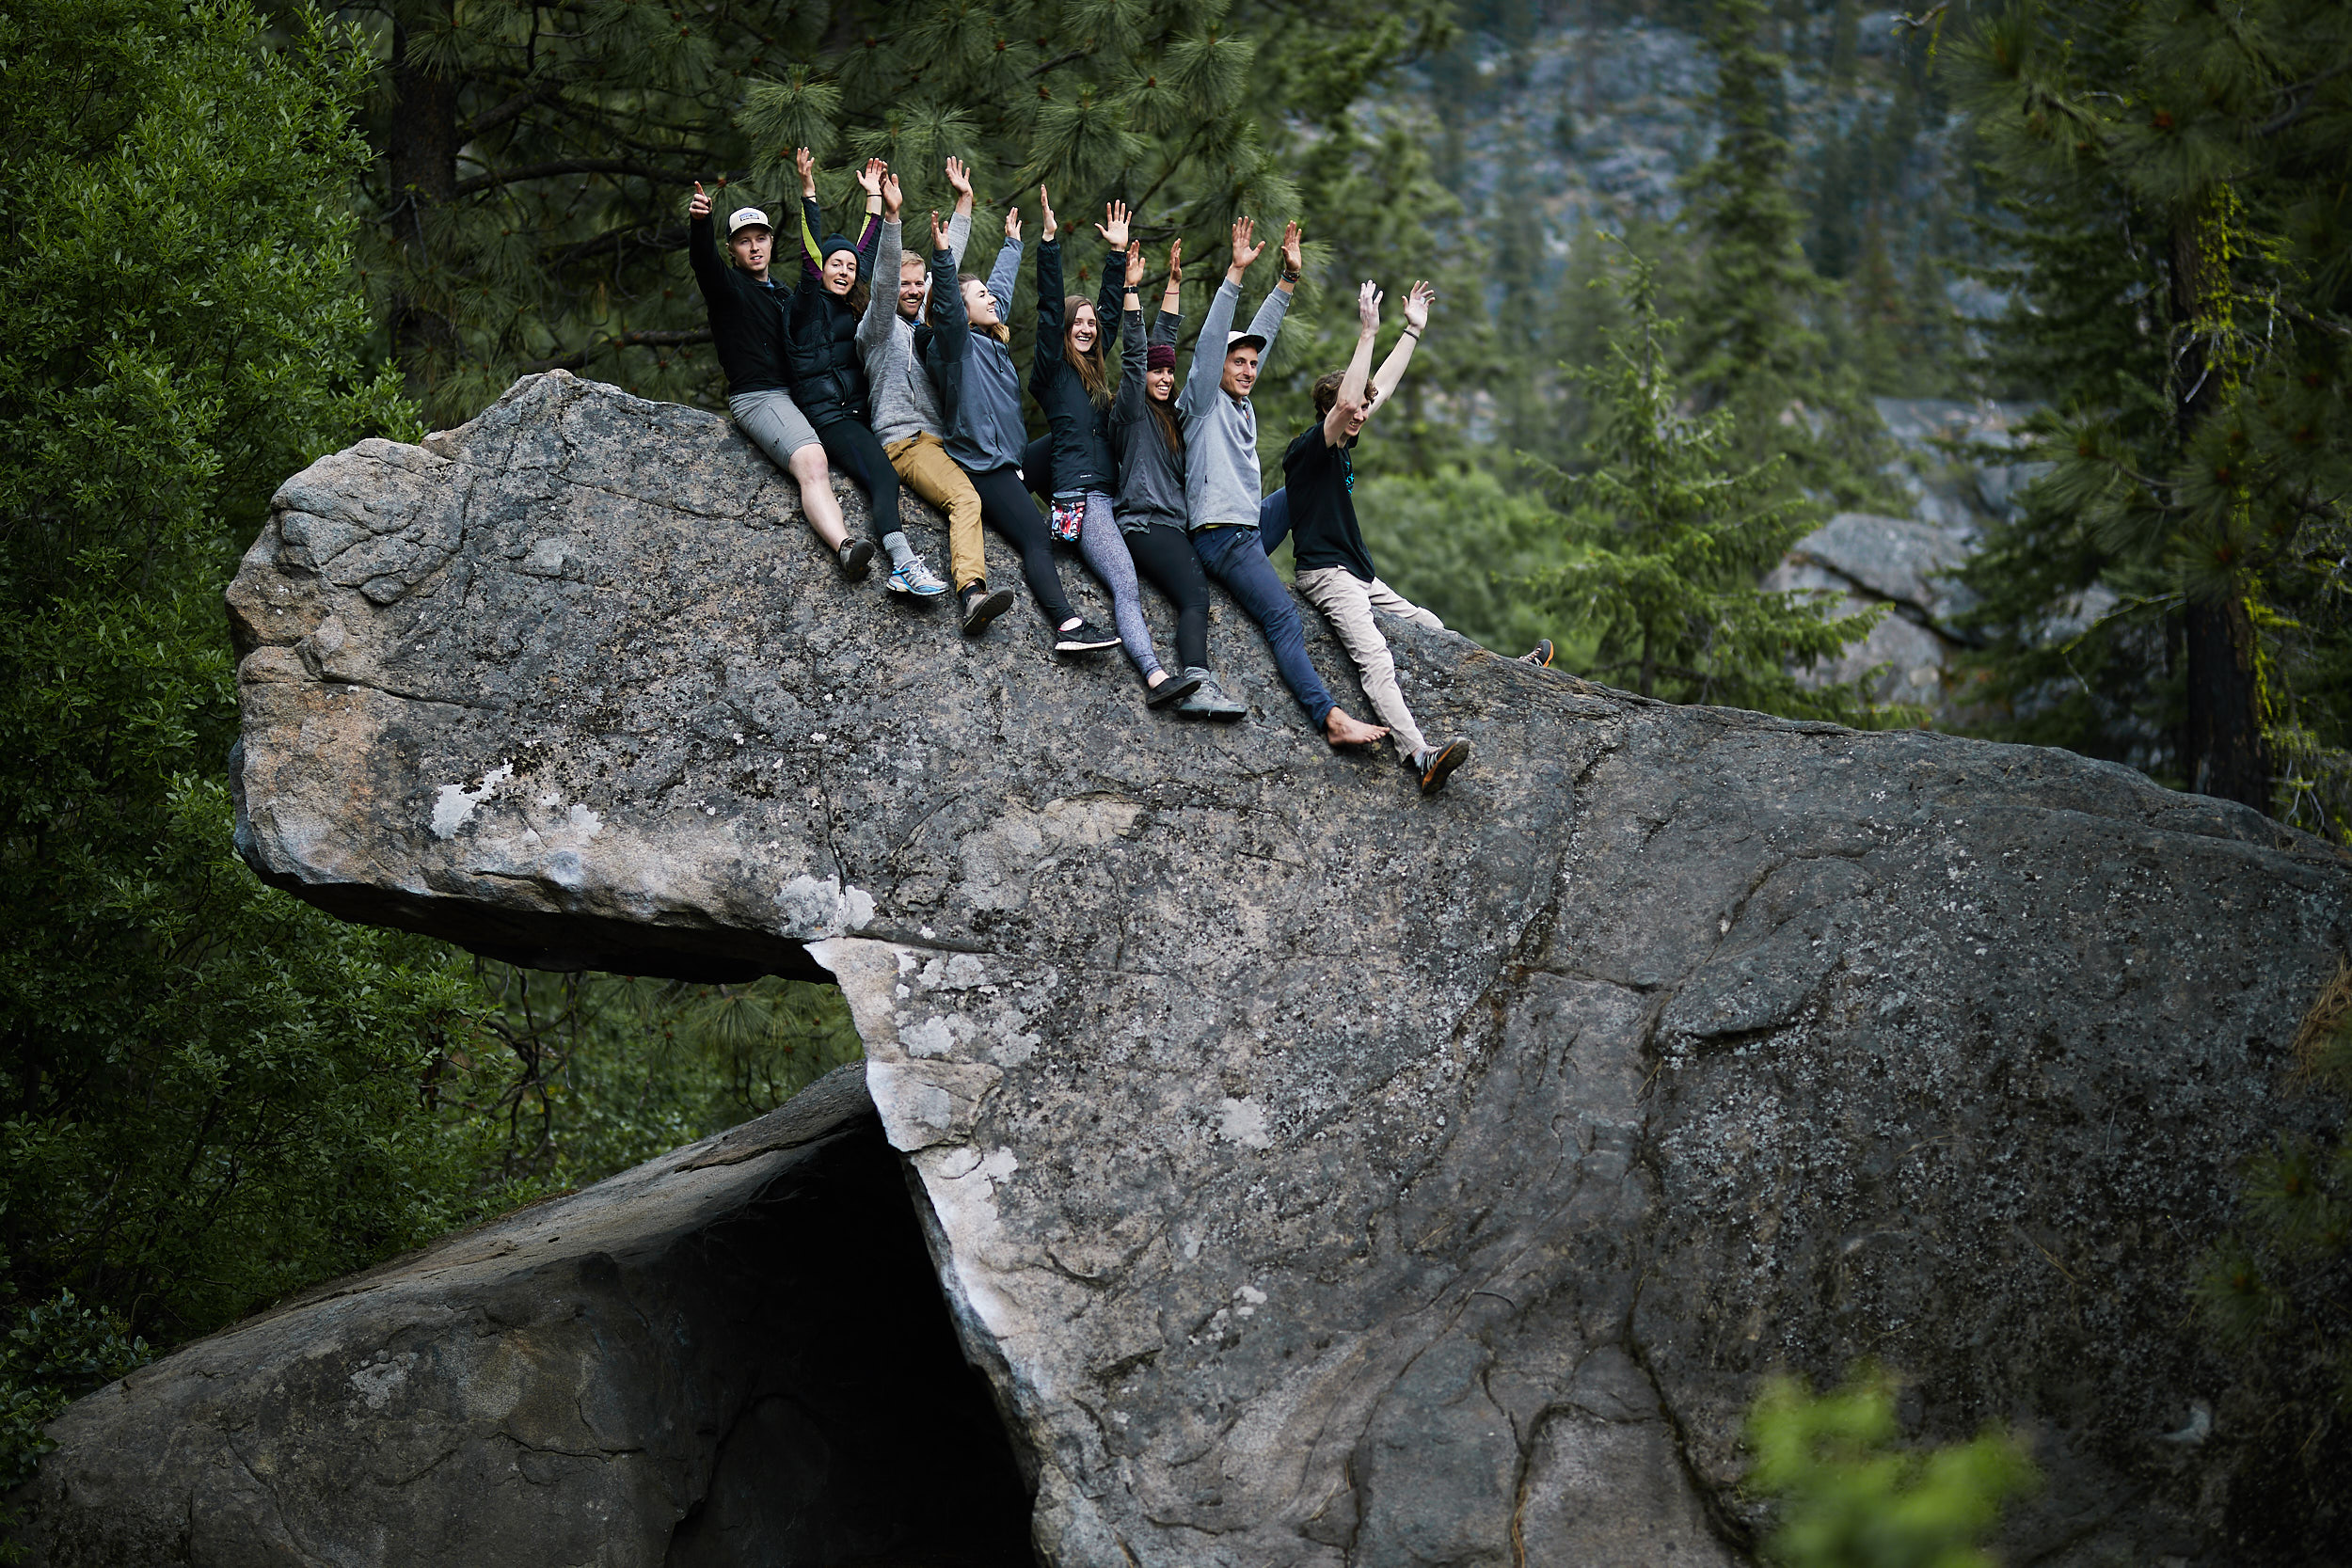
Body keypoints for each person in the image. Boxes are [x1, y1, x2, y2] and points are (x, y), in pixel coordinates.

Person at [1178, 217, 1388, 747]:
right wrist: (1235, 274)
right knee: (1283, 620)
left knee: (1304, 490)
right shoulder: (1202, 401)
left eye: (1252, 363)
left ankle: (1327, 570)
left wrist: (1287, 282)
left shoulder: (1240, 400)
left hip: (1249, 524)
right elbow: (1210, 342)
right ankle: (1331, 720)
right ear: (1216, 367)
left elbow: (1263, 341)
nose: (1248, 369)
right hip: (1222, 536)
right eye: (1238, 362)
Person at [1284, 280, 1471, 794]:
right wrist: (1367, 333)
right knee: (1376, 661)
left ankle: (1508, 670)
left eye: (1366, 407)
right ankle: (1420, 755)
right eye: (1356, 407)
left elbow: (1376, 389)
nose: (1364, 412)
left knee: (1429, 623)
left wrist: (1411, 330)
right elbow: (1349, 401)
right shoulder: (1310, 449)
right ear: (1333, 411)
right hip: (1326, 574)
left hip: (1358, 573)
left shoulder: (1345, 442)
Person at [918, 204, 1117, 654]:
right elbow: (949, 307)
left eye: (989, 294)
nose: (991, 300)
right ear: (960, 311)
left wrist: (1015, 243)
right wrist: (943, 257)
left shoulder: (989, 337)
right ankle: (1067, 625)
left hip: (1011, 458)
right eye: (981, 296)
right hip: (984, 468)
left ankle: (1077, 523)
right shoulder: (956, 347)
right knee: (1034, 538)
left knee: (1069, 441)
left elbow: (1000, 293)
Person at [1030, 192, 1198, 707]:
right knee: (1126, 584)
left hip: (1104, 498)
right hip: (1086, 501)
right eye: (1075, 323)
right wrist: (1050, 244)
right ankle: (1153, 676)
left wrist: (1117, 258)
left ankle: (1152, 670)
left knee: (1128, 582)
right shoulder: (1053, 373)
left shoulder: (1099, 382)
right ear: (1062, 332)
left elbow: (1107, 312)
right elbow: (1047, 305)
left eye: (1089, 325)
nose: (1085, 327)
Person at [787, 150, 951, 601]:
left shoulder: (857, 307)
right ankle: (902, 564)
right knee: (883, 477)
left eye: (849, 267)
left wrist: (876, 200)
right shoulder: (805, 304)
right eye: (835, 264)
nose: (844, 270)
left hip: (862, 414)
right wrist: (809, 191)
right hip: (831, 416)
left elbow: (872, 255)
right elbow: (812, 251)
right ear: (820, 267)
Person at [685, 179, 870, 576]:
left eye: (761, 238)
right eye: (743, 241)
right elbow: (703, 262)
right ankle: (845, 546)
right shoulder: (727, 288)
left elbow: (849, 266)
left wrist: (876, 207)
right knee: (812, 460)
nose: (754, 247)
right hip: (760, 395)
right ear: (732, 250)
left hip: (798, 395)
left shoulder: (785, 294)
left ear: (771, 243)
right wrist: (701, 223)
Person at [861, 157, 1014, 635]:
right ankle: (972, 592)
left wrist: (964, 204)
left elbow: (945, 283)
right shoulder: (878, 328)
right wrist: (891, 220)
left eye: (917, 284)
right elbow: (884, 281)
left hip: (945, 442)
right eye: (905, 284)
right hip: (907, 441)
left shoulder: (925, 328)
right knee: (966, 500)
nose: (911, 290)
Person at [1106, 235, 1247, 719]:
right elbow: (1138, 356)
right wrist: (1129, 294)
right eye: (1157, 375)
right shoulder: (1129, 412)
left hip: (1171, 523)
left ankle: (1197, 679)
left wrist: (1172, 283)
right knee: (1194, 595)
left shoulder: (1172, 415)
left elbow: (1162, 342)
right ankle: (1196, 681)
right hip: (1146, 524)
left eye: (1169, 374)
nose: (1165, 379)